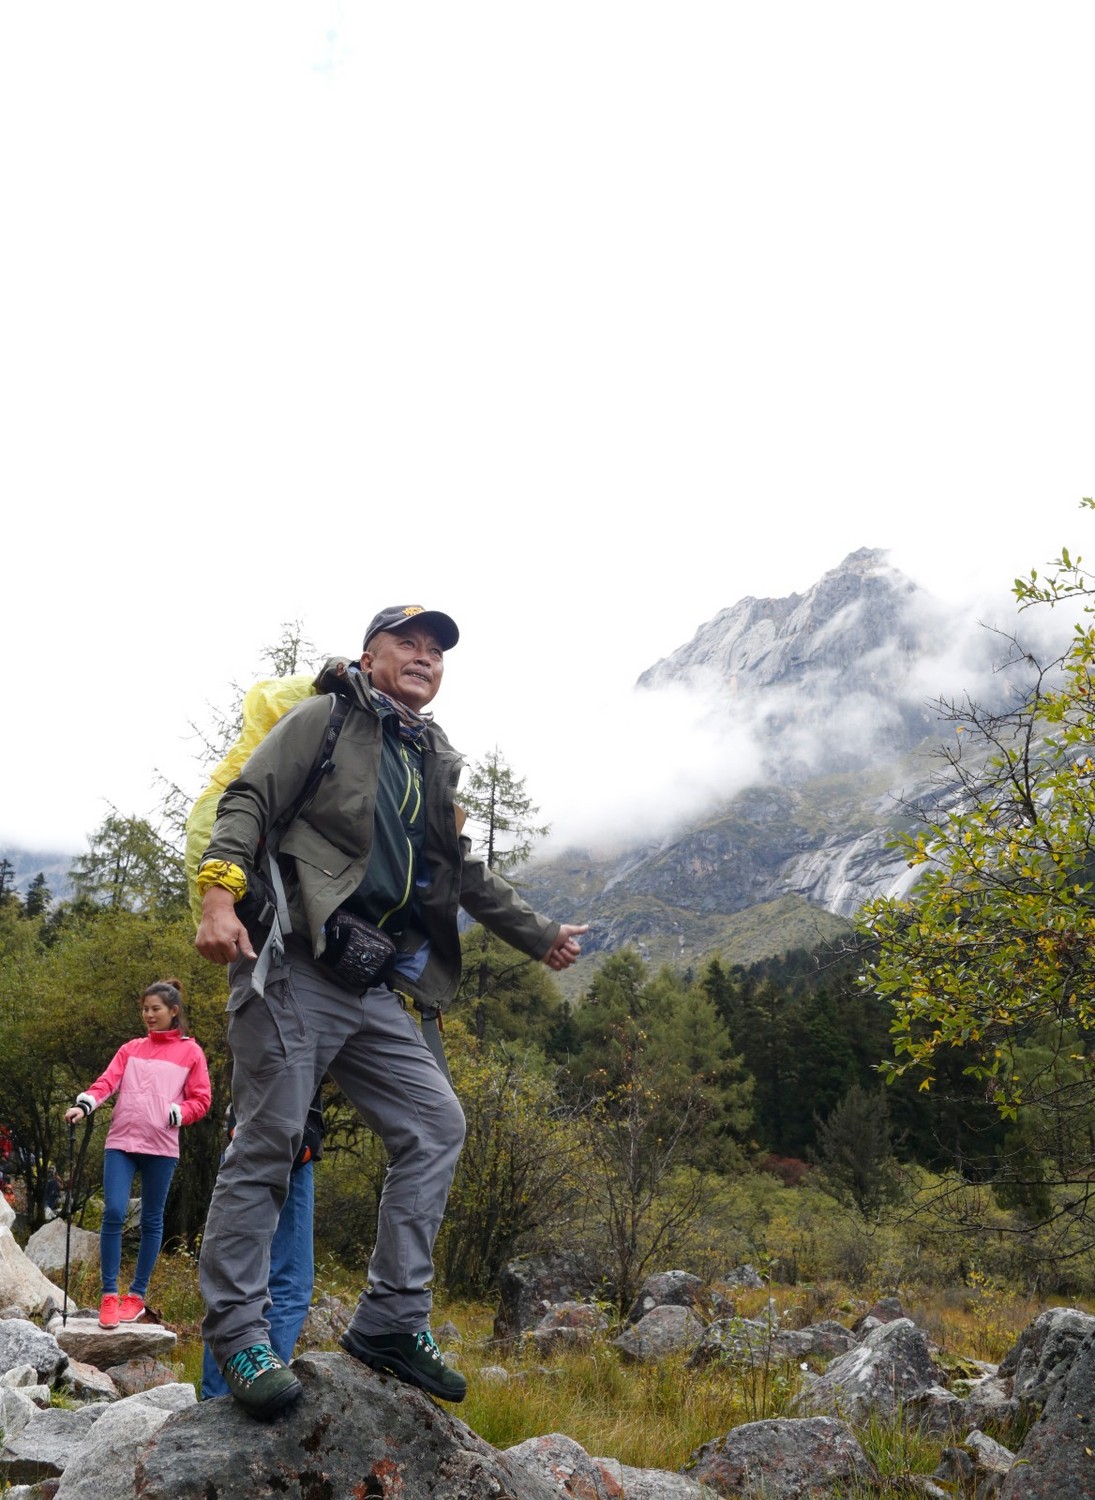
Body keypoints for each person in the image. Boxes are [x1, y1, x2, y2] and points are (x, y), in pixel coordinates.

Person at [195, 603, 587, 1419]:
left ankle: (389, 1321)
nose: (423, 656)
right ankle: (238, 1336)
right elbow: (247, 802)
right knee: (267, 1141)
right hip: (294, 965)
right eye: (405, 643)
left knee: (435, 1124)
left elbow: (463, 874)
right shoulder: (324, 720)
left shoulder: (428, 755)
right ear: (368, 656)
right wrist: (217, 899)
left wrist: (540, 935)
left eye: (434, 649)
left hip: (369, 984)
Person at [64, 978, 212, 1329]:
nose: (148, 1015)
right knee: (114, 1211)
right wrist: (84, 1104)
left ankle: (136, 1296)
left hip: (161, 1147)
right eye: (145, 1009)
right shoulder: (130, 1048)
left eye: (155, 1009)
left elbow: (201, 1099)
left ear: (173, 1012)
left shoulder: (191, 1052)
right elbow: (106, 1082)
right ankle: (109, 1296)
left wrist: (180, 1113)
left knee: (151, 1221)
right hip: (121, 1143)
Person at [200, 1088, 324, 1398]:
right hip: (286, 1134)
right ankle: (252, 1400)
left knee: (235, 1283)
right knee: (288, 1282)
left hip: (252, 1126)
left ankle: (214, 1404)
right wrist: (311, 1133)